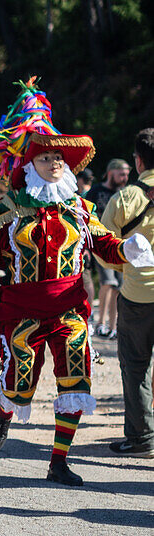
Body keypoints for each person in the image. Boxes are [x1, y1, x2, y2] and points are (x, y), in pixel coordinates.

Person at [0, 78, 154, 486]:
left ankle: (58, 461)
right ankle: (4, 412)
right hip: (23, 310)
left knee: (76, 377)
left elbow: (103, 244)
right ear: (29, 165)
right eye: (45, 158)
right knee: (21, 385)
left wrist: (127, 250)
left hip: (69, 307)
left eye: (59, 157)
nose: (55, 163)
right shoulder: (11, 207)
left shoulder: (79, 208)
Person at [103, 129, 154, 458]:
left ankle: (142, 438)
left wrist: (126, 271)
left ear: (137, 161)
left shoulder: (125, 198)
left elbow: (104, 247)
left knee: (135, 366)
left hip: (138, 296)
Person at [88, 159, 132, 337]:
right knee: (108, 282)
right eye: (121, 174)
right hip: (99, 245)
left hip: (119, 246)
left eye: (127, 174)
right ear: (111, 172)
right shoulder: (96, 191)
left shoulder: (125, 193)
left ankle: (113, 327)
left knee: (118, 287)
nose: (125, 178)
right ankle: (100, 322)